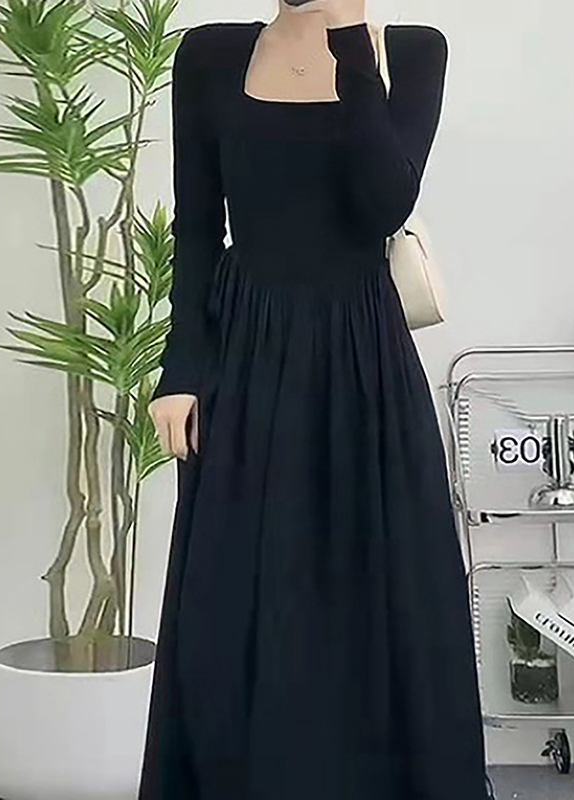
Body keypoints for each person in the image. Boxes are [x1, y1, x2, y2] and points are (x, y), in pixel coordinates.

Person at [140, 1, 490, 798]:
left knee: (382, 588)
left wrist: (350, 45)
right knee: (234, 591)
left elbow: (383, 203)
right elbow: (196, 228)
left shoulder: (412, 52)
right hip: (245, 353)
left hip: (363, 360)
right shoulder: (210, 55)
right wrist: (181, 370)